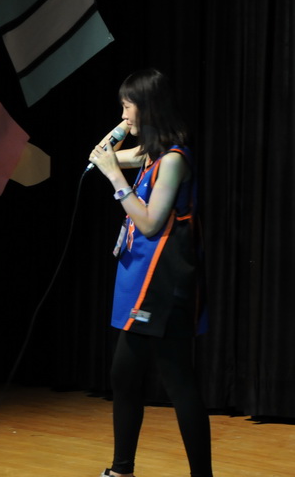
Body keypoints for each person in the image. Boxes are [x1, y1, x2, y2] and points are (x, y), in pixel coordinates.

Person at [88, 68, 213, 477]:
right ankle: (122, 469)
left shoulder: (173, 160)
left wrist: (114, 178)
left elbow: (149, 223)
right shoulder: (149, 154)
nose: (123, 114)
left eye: (128, 106)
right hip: (142, 282)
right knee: (124, 376)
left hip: (163, 286)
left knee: (177, 379)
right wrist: (116, 139)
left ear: (148, 106)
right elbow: (98, 155)